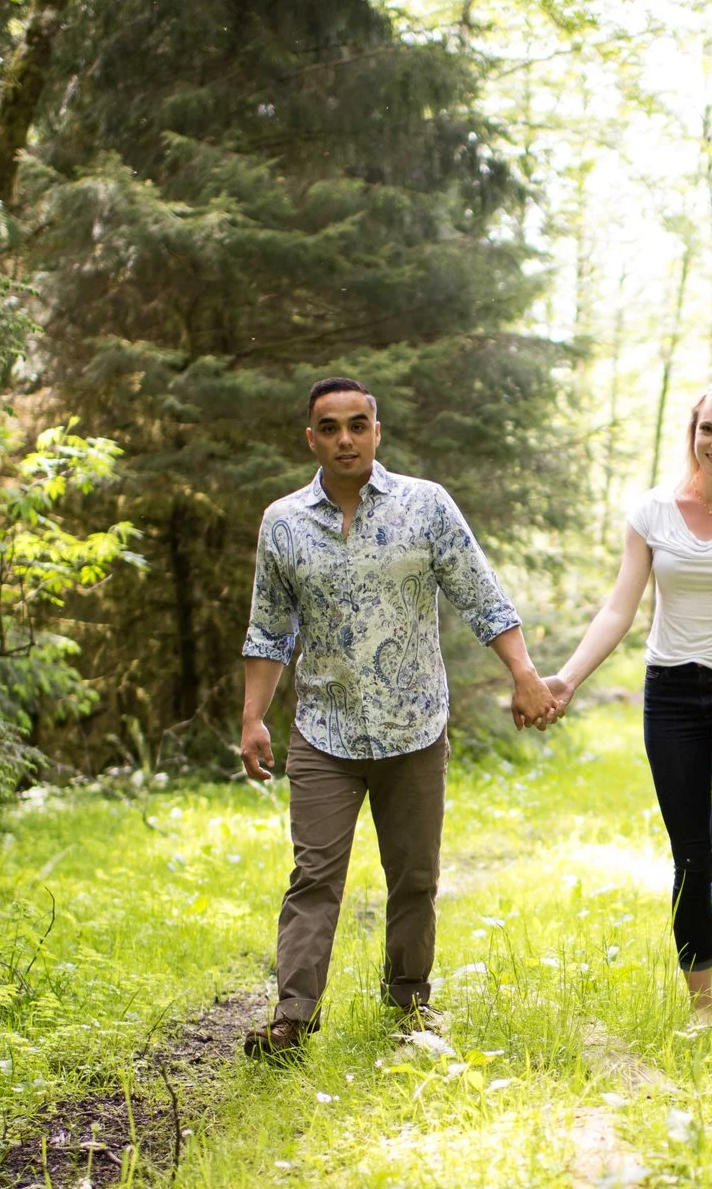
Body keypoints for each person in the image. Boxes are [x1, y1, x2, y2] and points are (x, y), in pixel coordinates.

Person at [238, 377, 559, 1057]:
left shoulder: (425, 506)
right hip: (325, 730)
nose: (345, 439)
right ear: (312, 439)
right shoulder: (284, 522)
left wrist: (525, 675)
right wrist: (253, 718)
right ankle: (291, 1018)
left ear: (376, 431)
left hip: (414, 728)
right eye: (330, 427)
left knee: (414, 877)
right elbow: (268, 630)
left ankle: (410, 1001)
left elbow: (482, 597)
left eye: (358, 424)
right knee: (315, 876)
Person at [543, 380, 712, 1034]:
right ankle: (701, 1005)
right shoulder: (652, 512)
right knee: (691, 852)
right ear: (692, 431)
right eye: (707, 429)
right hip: (673, 697)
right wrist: (567, 680)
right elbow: (618, 610)